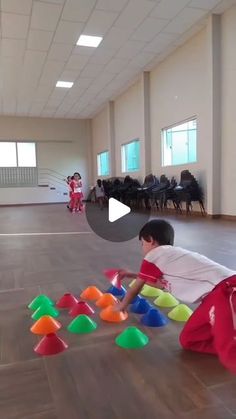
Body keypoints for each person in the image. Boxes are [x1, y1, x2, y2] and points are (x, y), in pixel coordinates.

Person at [114, 219, 236, 373]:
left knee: (230, 353)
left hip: (227, 291)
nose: (142, 248)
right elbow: (158, 284)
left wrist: (122, 306)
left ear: (150, 240)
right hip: (213, 298)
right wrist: (131, 274)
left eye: (142, 243)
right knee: (189, 339)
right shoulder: (168, 259)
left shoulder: (155, 255)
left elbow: (136, 288)